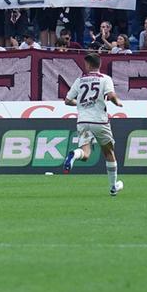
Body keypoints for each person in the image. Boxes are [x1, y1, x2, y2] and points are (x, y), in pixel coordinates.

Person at [61, 53, 124, 196]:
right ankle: (113, 187)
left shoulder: (79, 80)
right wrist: (118, 102)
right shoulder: (105, 79)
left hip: (83, 121)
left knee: (85, 154)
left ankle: (74, 154)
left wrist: (82, 104)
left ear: (88, 65)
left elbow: (67, 100)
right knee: (109, 152)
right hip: (99, 120)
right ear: (99, 64)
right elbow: (111, 95)